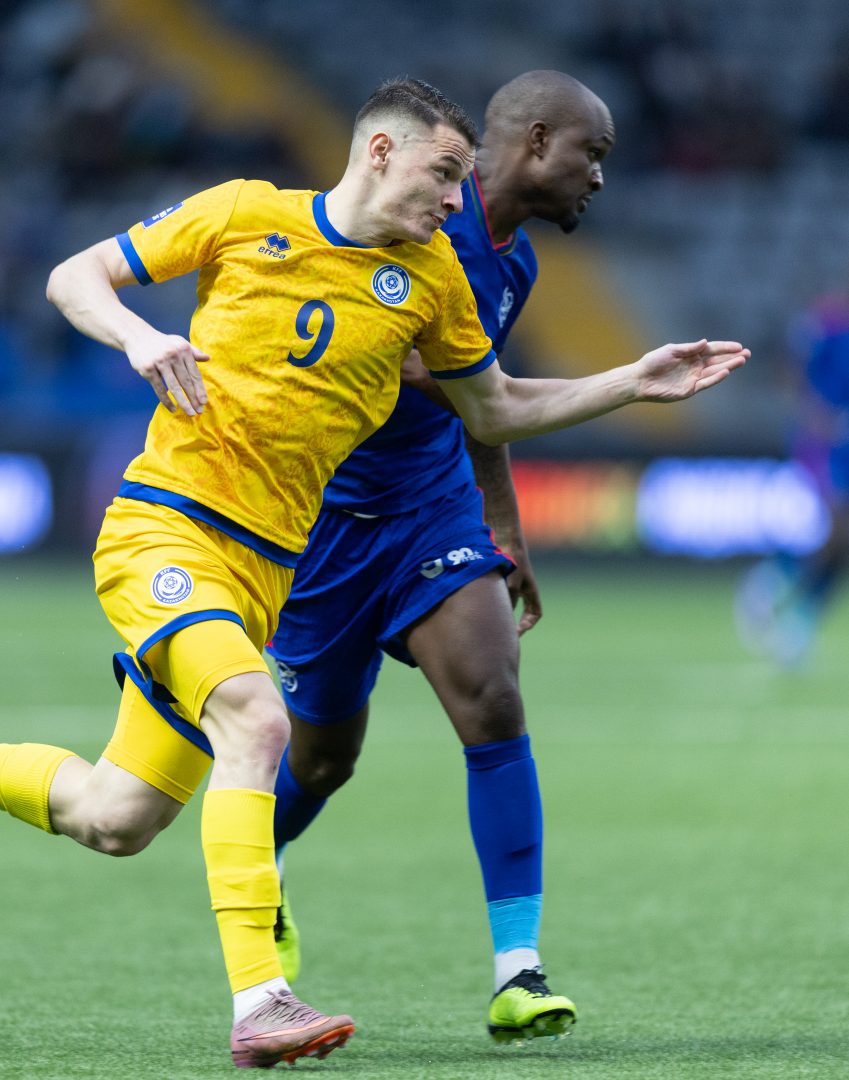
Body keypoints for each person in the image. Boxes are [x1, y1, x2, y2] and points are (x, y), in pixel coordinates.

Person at [0, 77, 746, 1069]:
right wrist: (141, 335)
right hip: (166, 533)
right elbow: (74, 275)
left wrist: (633, 382)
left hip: (267, 572)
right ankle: (261, 1000)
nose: (456, 199)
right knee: (262, 723)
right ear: (381, 152)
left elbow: (493, 409)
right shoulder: (244, 214)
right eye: (445, 173)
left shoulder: (435, 279)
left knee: (114, 817)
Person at [264, 70, 612, 1045]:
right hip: (329, 524)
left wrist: (503, 527)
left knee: (493, 697)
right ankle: (261, 863)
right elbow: (428, 369)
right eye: (591, 154)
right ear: (536, 141)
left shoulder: (516, 263)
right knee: (323, 759)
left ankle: (519, 971)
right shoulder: (412, 220)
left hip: (430, 511)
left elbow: (477, 401)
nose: (597, 177)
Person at [735, 248, 849, 667]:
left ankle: (799, 618)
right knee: (837, 529)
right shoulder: (828, 319)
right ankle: (769, 589)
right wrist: (813, 413)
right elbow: (790, 366)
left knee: (847, 546)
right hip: (822, 442)